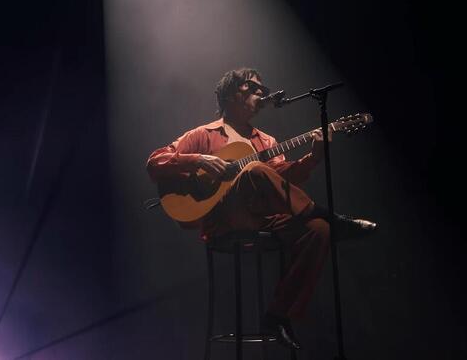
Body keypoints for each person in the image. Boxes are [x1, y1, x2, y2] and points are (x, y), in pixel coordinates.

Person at [146, 67, 376, 350]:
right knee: (255, 168)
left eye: (262, 90)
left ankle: (278, 315)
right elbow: (155, 162)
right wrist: (198, 160)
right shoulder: (203, 135)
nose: (260, 93)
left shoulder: (266, 141)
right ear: (230, 93)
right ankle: (328, 214)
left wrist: (313, 157)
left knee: (319, 230)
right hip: (224, 219)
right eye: (251, 87)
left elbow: (281, 181)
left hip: (263, 219)